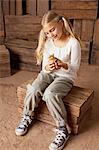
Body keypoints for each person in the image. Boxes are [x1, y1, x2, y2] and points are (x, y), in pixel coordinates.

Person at [15, 10, 81, 150]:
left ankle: (63, 129)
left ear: (60, 23)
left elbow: (74, 69)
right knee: (33, 88)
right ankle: (27, 116)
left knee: (50, 94)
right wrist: (48, 66)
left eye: (52, 30)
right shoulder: (48, 42)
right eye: (47, 33)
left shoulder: (73, 43)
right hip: (49, 74)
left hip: (65, 77)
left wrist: (62, 64)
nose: (50, 35)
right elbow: (44, 69)